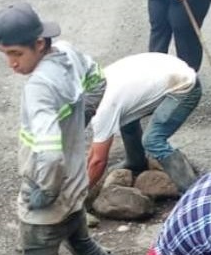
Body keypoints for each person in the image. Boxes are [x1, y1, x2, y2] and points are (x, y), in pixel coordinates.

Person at [0, 2, 147, 255]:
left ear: (39, 44)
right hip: (76, 187)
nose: (11, 63)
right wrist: (82, 118)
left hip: (48, 200)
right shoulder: (67, 53)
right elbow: (98, 81)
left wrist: (44, 191)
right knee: (88, 250)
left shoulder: (38, 88)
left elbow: (48, 156)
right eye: (5, 54)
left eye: (16, 53)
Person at [84, 52, 202, 193]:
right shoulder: (94, 85)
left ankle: (193, 190)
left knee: (152, 140)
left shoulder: (103, 111)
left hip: (185, 87)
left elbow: (98, 161)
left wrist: (80, 193)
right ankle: (136, 162)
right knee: (126, 118)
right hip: (167, 72)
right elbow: (95, 149)